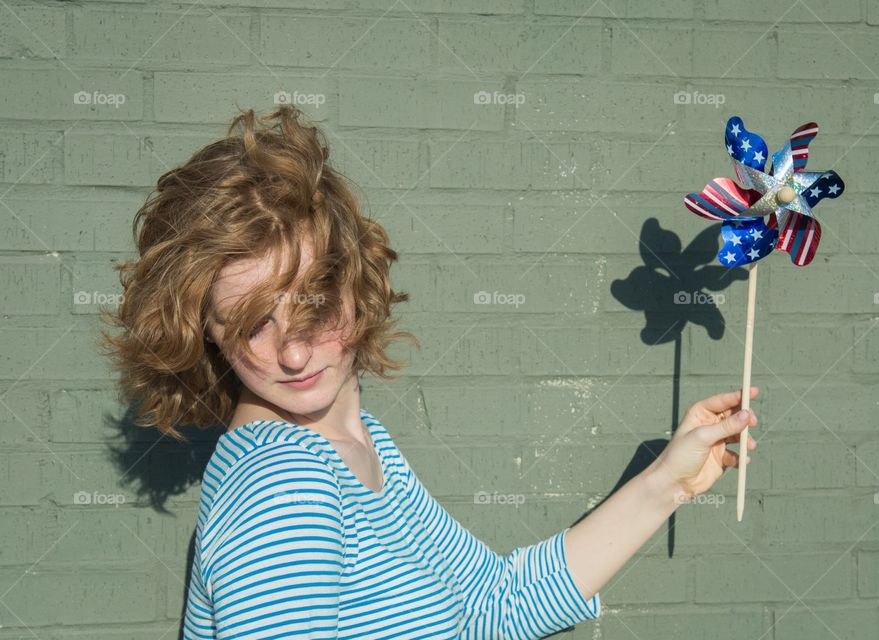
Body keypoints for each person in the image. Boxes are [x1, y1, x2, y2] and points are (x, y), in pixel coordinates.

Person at [101, 105, 759, 639]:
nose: (294, 354)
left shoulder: (358, 447)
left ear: (354, 284)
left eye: (312, 306)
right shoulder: (285, 489)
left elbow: (495, 607)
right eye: (250, 324)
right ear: (209, 334)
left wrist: (663, 484)